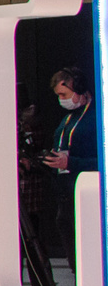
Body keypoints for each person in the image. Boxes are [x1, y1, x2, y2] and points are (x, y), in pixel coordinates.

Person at [44, 66, 98, 270]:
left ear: (80, 89)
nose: (60, 99)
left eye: (63, 94)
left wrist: (71, 163)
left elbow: (101, 161)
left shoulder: (96, 118)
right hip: (66, 196)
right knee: (74, 256)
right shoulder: (68, 118)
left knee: (89, 258)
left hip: (88, 196)